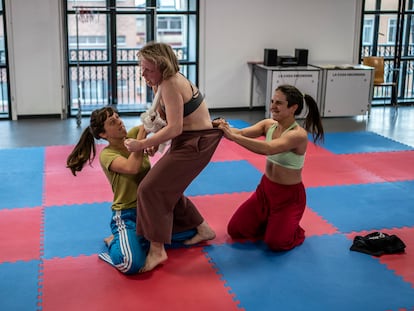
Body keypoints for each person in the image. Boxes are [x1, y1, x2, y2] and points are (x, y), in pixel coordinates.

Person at [123, 42, 223, 273]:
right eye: (142, 68)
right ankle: (202, 228)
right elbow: (166, 121)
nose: (143, 74)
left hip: (195, 144)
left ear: (161, 66)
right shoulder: (164, 81)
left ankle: (157, 250)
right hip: (189, 141)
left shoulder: (169, 84)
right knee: (167, 187)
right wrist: (154, 141)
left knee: (150, 189)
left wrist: (143, 143)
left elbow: (175, 127)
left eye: (147, 69)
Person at [66, 106, 198, 275]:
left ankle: (133, 239)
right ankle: (114, 244)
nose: (119, 122)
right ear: (103, 135)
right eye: (112, 122)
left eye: (117, 117)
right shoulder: (107, 154)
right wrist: (143, 140)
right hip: (127, 213)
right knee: (131, 264)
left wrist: (154, 143)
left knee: (190, 232)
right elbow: (132, 167)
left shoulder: (134, 135)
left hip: (149, 210)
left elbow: (161, 125)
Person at [216, 84, 324, 251]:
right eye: (272, 101)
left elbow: (269, 148)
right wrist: (222, 127)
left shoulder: (297, 134)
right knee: (236, 230)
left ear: (293, 108)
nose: (273, 106)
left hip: (289, 198)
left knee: (276, 244)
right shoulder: (268, 124)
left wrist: (232, 137)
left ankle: (291, 229)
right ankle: (272, 222)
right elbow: (242, 133)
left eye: (279, 103)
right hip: (265, 191)